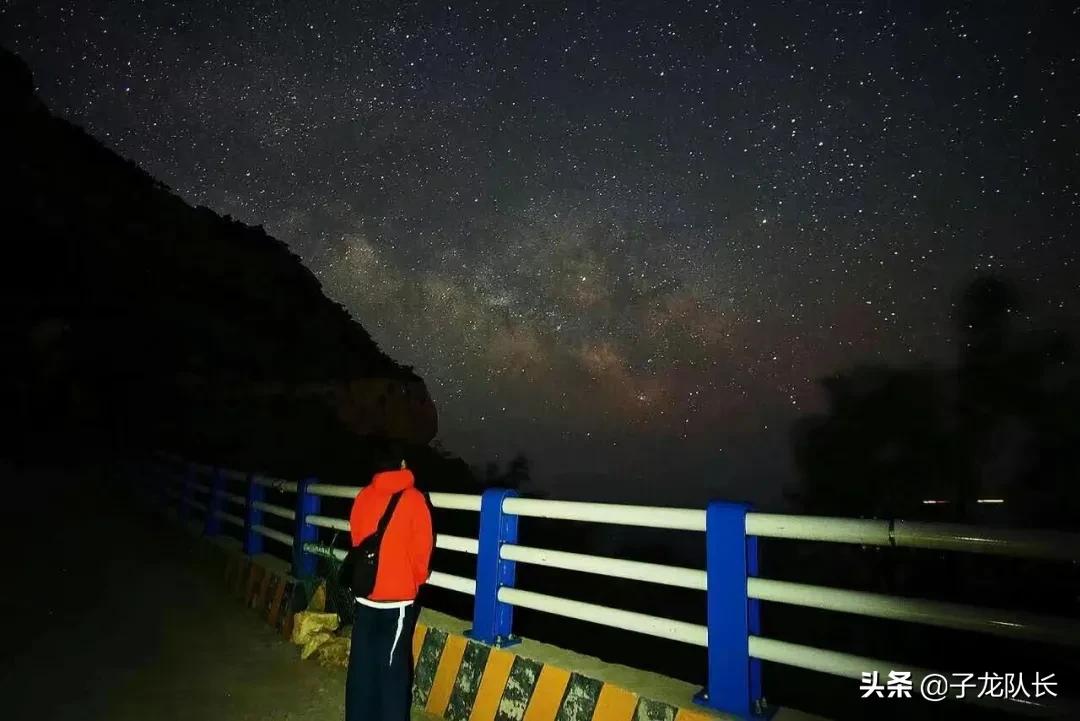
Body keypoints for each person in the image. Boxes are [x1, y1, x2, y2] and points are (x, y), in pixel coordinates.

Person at [345, 445, 434, 721]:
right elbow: (423, 552)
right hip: (396, 601)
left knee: (362, 667)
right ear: (403, 464)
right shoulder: (415, 499)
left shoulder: (363, 496)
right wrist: (413, 581)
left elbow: (357, 540)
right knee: (392, 672)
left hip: (364, 594)